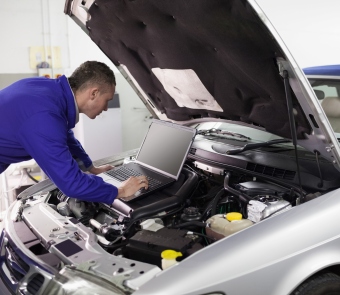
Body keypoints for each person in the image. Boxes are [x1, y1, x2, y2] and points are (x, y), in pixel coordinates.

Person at [0, 61, 148, 204]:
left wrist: (91, 168)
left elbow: (64, 135)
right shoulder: (44, 117)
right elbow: (71, 184)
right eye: (107, 100)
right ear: (94, 93)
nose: (106, 108)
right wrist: (120, 191)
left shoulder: (50, 92)